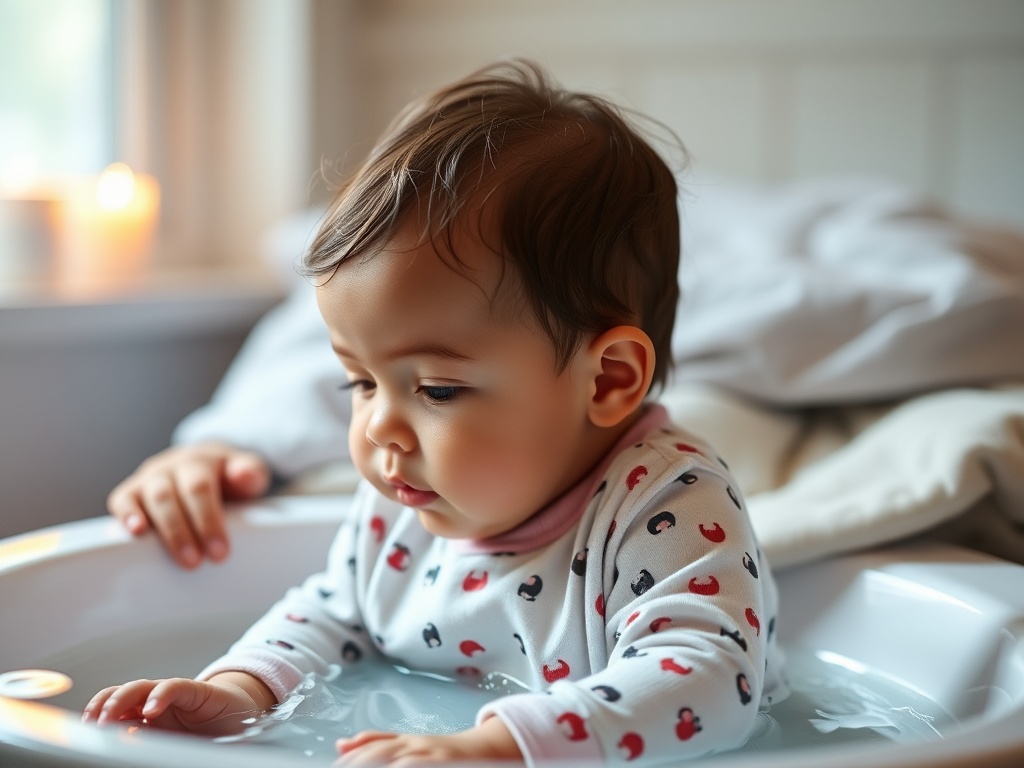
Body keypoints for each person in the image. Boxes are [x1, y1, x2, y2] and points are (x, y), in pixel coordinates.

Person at [86, 60, 783, 765]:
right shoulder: (407, 496)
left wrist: (496, 749)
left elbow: (710, 681)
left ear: (606, 379)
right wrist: (240, 692)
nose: (379, 429)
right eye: (358, 383)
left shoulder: (665, 502)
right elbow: (334, 612)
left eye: (438, 390)